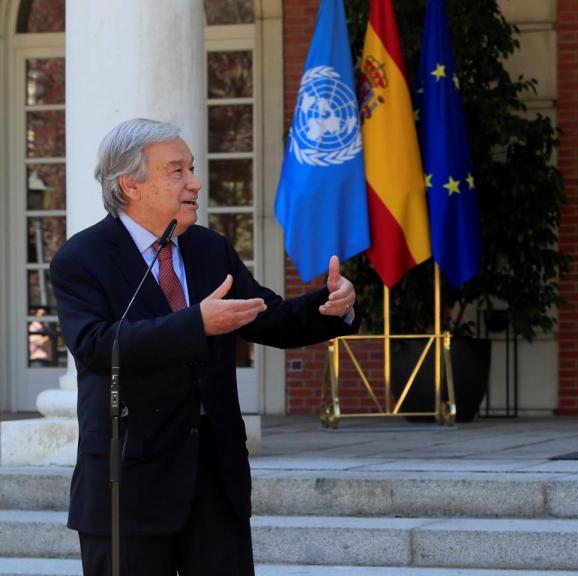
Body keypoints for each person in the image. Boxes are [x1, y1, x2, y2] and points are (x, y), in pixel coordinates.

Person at [51, 118, 360, 576]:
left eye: (191, 169)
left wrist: (331, 308)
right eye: (177, 171)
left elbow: (267, 316)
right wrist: (195, 324)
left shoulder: (209, 249)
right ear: (129, 185)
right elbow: (96, 346)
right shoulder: (81, 258)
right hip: (128, 486)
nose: (195, 182)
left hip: (215, 480)